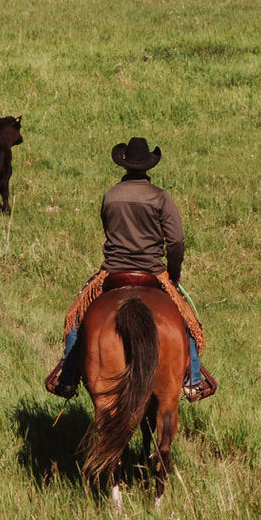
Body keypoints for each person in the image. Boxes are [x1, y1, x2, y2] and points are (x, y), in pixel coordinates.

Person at [44, 136, 215, 401]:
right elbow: (176, 241)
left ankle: (67, 379)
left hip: (113, 271)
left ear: (124, 165)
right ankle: (193, 381)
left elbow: (107, 228)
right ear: (148, 166)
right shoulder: (161, 197)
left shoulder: (110, 196)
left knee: (75, 320)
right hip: (152, 271)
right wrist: (173, 270)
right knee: (186, 321)